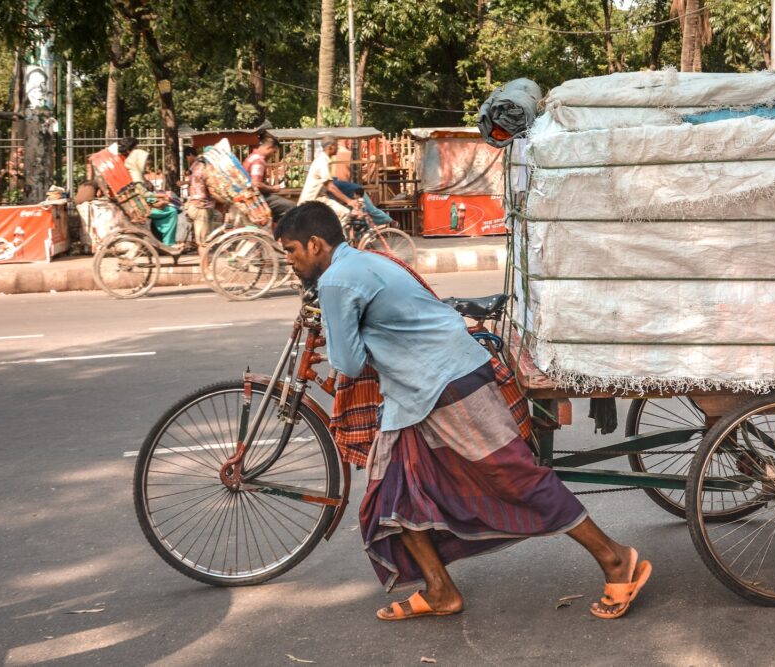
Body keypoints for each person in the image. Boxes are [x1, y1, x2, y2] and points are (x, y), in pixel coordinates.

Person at [274, 202, 652, 621]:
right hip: (412, 394)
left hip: (445, 382)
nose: (290, 261)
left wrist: (342, 328)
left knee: (516, 478)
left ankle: (616, 558)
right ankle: (439, 590)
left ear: (315, 244)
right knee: (392, 490)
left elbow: (346, 363)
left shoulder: (337, 282)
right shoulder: (365, 261)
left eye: (291, 251)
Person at [298, 136, 393, 227]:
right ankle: (340, 241)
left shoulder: (325, 161)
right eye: (336, 146)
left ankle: (388, 221)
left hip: (321, 198)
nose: (337, 149)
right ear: (331, 147)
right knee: (346, 213)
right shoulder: (323, 161)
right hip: (315, 199)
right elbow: (331, 187)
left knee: (361, 213)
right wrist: (349, 201)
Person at [125, 148, 180, 247]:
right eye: (145, 161)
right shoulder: (136, 176)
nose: (147, 164)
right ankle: (169, 243)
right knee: (172, 211)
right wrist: (160, 195)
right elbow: (144, 194)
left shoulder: (134, 173)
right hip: (141, 208)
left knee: (167, 206)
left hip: (140, 205)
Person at [242, 133, 295, 222]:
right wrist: (273, 189)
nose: (273, 155)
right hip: (256, 198)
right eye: (273, 152)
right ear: (269, 148)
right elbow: (256, 184)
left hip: (249, 196)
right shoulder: (259, 160)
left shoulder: (251, 157)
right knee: (292, 207)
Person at [183, 147, 215, 248]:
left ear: (190, 155)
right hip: (201, 204)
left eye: (187, 158)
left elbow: (200, 182)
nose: (187, 160)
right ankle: (204, 263)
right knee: (202, 240)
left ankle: (204, 263)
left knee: (202, 242)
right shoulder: (201, 166)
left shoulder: (198, 166)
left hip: (200, 205)